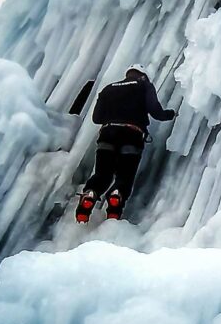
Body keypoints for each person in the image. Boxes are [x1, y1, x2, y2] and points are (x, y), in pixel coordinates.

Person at [75, 64, 176, 222]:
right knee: (125, 176)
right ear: (142, 75)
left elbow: (97, 118)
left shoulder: (108, 88)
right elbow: (155, 110)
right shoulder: (144, 85)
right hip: (131, 135)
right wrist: (170, 114)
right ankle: (115, 204)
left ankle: (90, 194)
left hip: (107, 135)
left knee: (102, 174)